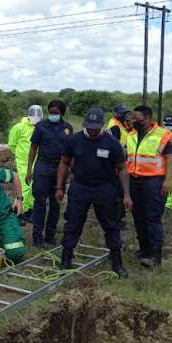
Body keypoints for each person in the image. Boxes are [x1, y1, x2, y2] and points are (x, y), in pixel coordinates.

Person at [55, 108, 131, 278]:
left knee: (111, 225)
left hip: (104, 189)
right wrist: (59, 187)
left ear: (102, 125)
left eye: (96, 128)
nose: (92, 131)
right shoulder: (74, 140)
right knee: (73, 223)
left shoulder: (112, 143)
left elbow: (121, 169)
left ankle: (117, 263)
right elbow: (64, 163)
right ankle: (66, 259)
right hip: (80, 187)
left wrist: (126, 194)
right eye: (89, 127)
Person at [126, 105, 172, 267]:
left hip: (153, 181)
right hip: (134, 179)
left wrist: (167, 180)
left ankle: (155, 254)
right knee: (138, 216)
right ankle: (143, 248)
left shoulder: (162, 135)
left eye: (137, 119)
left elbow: (169, 158)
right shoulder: (132, 135)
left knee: (152, 217)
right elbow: (127, 154)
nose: (134, 121)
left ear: (147, 118)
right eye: (133, 118)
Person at [25, 100, 73, 249]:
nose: (53, 115)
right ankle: (37, 236)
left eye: (56, 113)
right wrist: (29, 170)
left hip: (60, 168)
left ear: (62, 113)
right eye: (51, 112)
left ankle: (50, 234)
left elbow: (70, 153)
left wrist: (73, 171)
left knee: (56, 202)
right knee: (39, 202)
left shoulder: (68, 128)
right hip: (43, 166)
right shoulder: (40, 126)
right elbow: (33, 148)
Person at [7, 105, 43, 226]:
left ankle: (28, 211)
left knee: (34, 186)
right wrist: (20, 155)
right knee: (24, 187)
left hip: (36, 161)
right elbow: (12, 144)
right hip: (23, 162)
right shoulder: (19, 127)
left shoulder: (40, 127)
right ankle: (17, 212)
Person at [107, 103, 132, 229]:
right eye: (122, 113)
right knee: (118, 193)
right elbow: (115, 146)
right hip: (118, 163)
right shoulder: (115, 126)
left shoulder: (122, 125)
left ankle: (118, 218)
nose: (124, 115)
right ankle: (117, 220)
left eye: (126, 113)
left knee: (120, 192)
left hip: (123, 163)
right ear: (116, 113)